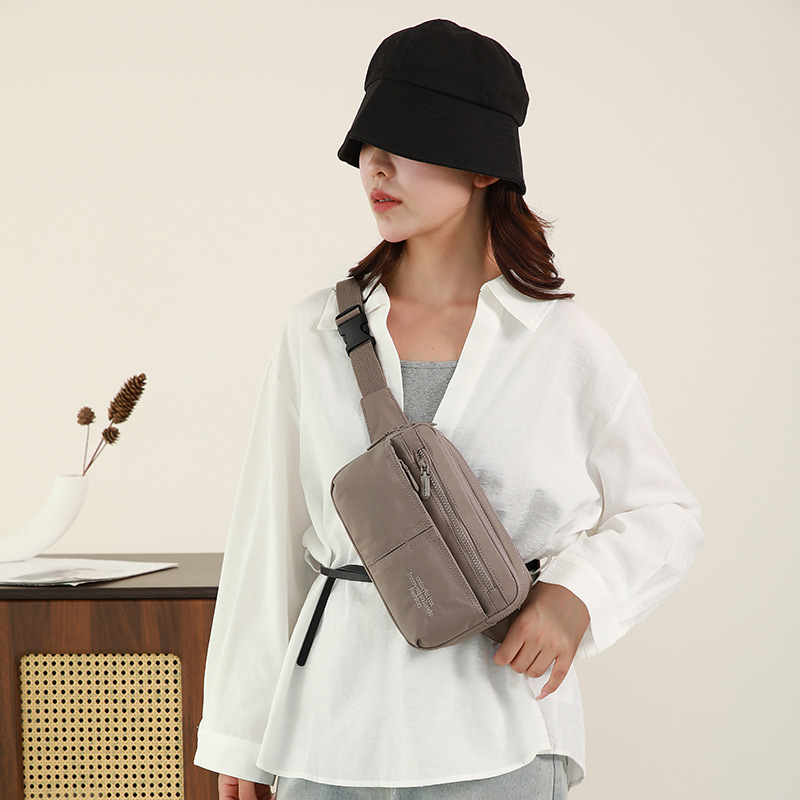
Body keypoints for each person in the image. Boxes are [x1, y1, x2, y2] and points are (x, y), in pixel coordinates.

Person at [194, 18, 703, 800]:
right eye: (368, 144)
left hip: (498, 730)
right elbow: (268, 537)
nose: (376, 165)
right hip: (328, 733)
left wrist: (578, 596)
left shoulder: (561, 342)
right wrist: (239, 730)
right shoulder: (315, 333)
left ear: (484, 167)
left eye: (408, 141)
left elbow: (664, 513)